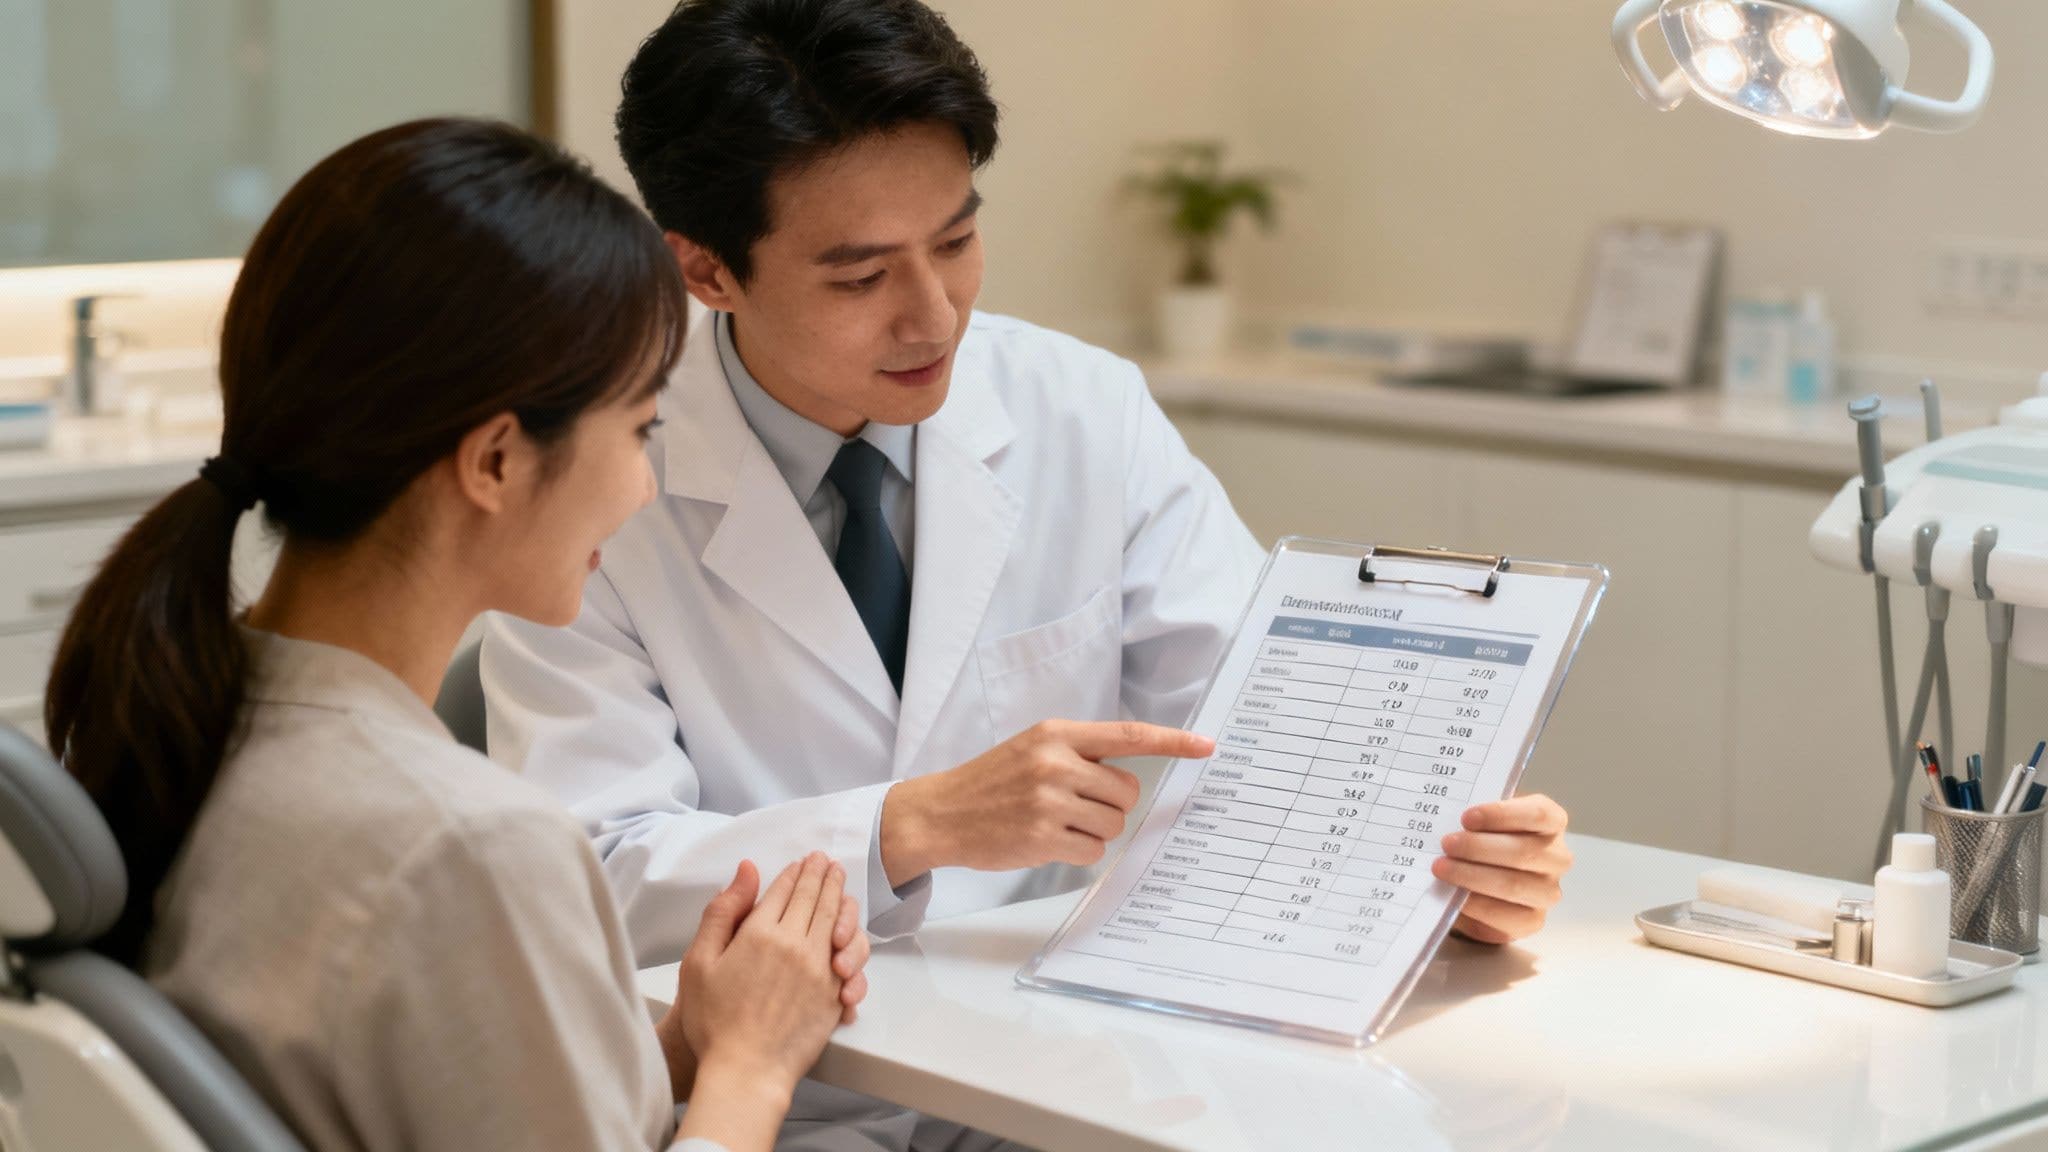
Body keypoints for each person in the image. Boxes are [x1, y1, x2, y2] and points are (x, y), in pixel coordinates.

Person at [483, 0, 1573, 1143]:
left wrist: (1442, 865)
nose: (933, 313)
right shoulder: (596, 475)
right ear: (704, 271)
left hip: (1053, 1087)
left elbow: (1270, 719)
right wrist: (909, 824)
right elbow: (590, 875)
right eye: (859, 278)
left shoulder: (1079, 409)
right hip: (766, 1108)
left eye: (953, 242)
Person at [43, 117, 869, 1152]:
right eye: (640, 429)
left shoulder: (190, 718)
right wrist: (755, 1063)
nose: (645, 483)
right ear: (493, 462)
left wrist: (683, 1046)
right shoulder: (466, 846)